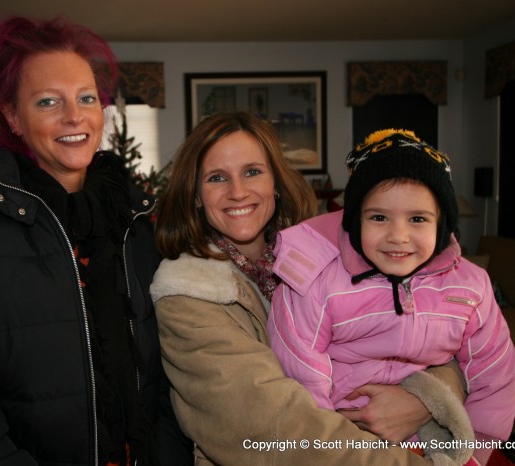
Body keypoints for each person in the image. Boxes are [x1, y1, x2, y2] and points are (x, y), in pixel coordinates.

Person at [0, 16, 190, 465]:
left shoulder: (136, 223)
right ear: (11, 116)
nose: (74, 116)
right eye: (48, 101)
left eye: (87, 98)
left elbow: (170, 378)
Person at [150, 113, 467, 465]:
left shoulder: (339, 257)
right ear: (195, 196)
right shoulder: (188, 295)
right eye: (216, 178)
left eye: (253, 171)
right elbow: (271, 427)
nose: (238, 191)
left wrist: (424, 398)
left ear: (275, 183)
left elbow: (445, 341)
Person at [268, 129, 515, 465]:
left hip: (430, 438)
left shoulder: (470, 287)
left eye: (417, 219)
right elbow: (300, 376)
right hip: (344, 437)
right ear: (355, 221)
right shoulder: (317, 282)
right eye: (379, 217)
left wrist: (474, 454)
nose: (398, 236)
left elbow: (495, 374)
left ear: (442, 225)